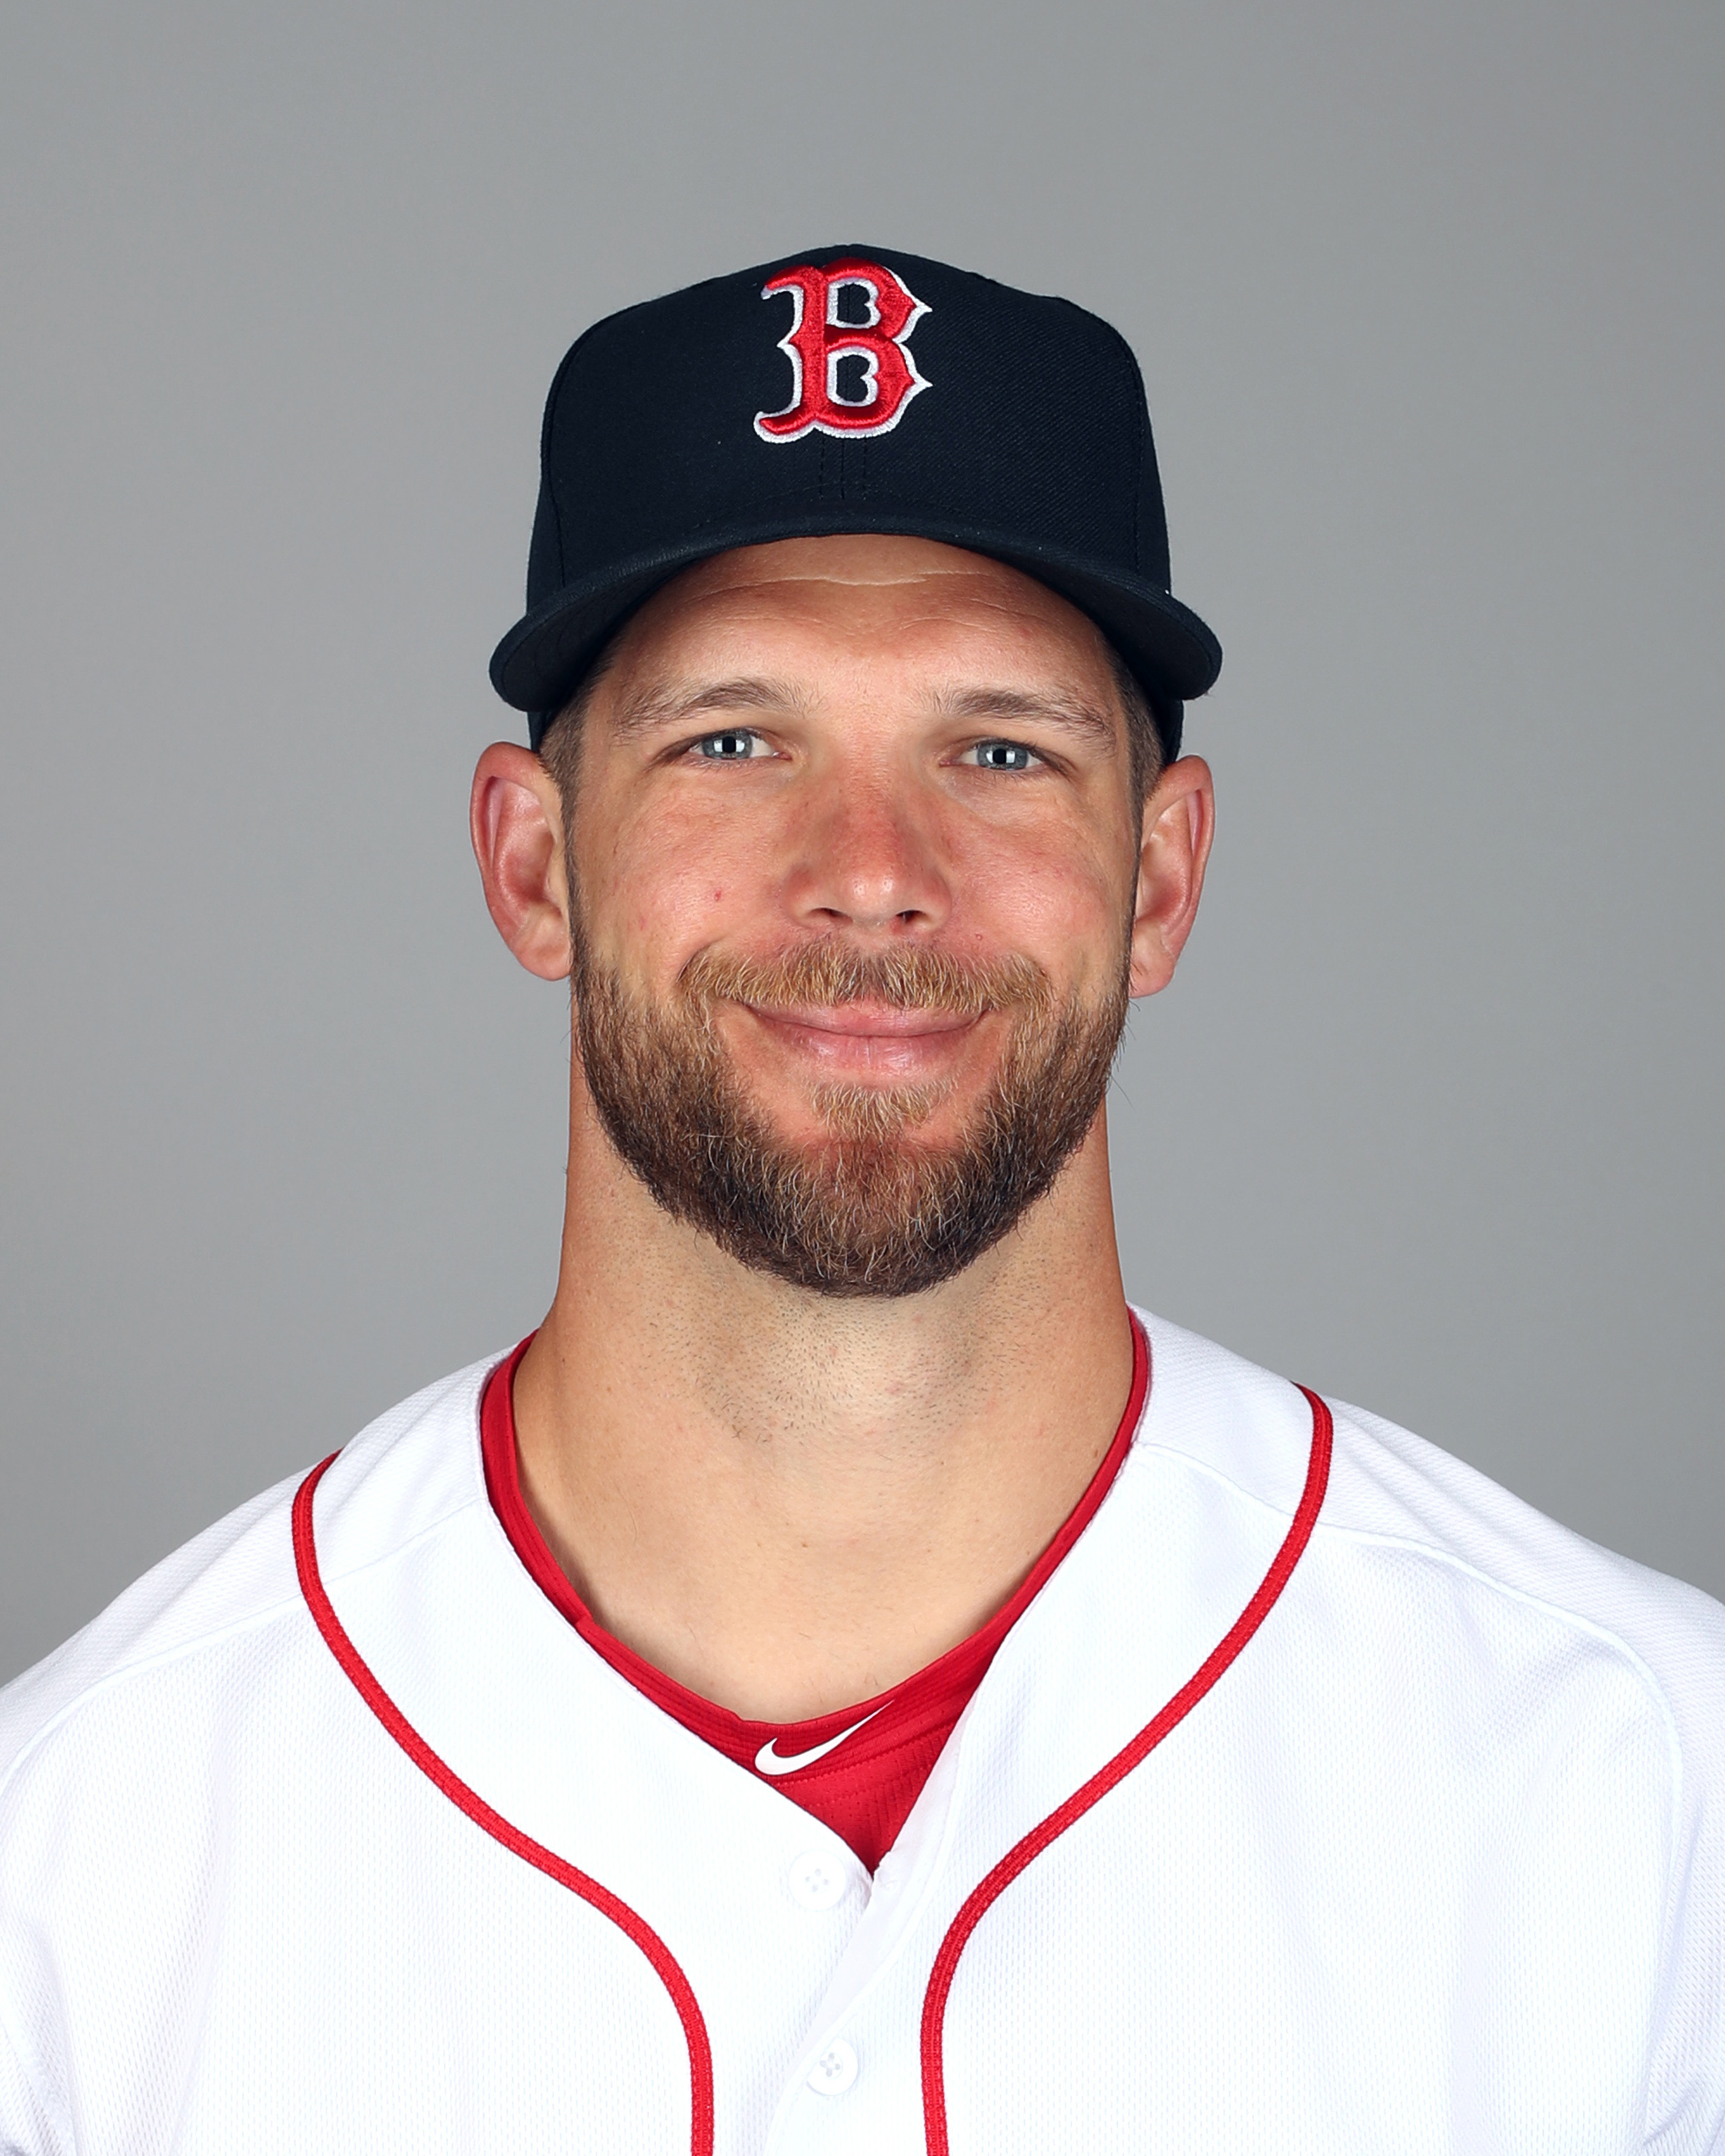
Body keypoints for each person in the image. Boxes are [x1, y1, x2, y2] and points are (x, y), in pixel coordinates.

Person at [2, 246, 1721, 2156]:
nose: (875, 870)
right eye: (734, 741)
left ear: (1159, 881)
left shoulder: (1645, 1799)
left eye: (999, 751)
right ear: (534, 863)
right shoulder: (76, 1869)